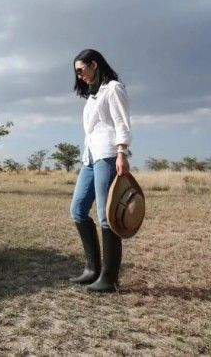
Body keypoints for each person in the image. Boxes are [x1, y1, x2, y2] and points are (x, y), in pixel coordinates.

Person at [69, 49, 131, 293]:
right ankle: (92, 269)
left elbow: (121, 123)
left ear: (94, 65)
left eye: (81, 70)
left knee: (107, 215)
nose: (79, 76)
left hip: (108, 154)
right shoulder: (92, 97)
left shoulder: (113, 88)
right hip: (90, 156)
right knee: (78, 210)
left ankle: (109, 278)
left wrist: (122, 153)